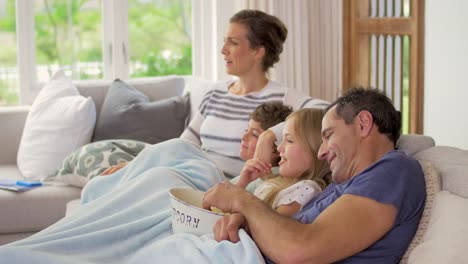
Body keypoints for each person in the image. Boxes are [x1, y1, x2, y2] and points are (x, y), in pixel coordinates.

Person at [202, 87, 426, 263]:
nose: (321, 151)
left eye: (328, 135)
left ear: (363, 124)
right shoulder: (343, 187)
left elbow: (298, 251)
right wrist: (249, 223)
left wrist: (242, 201)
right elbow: (289, 232)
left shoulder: (393, 171)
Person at [101, 9, 328, 179]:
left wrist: (269, 135)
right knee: (116, 182)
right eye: (224, 41)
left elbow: (329, 111)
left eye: (233, 42)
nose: (223, 50)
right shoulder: (216, 92)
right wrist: (138, 166)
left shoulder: (282, 96)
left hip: (224, 182)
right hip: (192, 172)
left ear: (258, 52)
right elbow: (184, 145)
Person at [235, 108, 330, 217]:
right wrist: (242, 183)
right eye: (282, 140)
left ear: (316, 149)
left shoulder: (306, 189)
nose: (279, 148)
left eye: (289, 140)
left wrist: (239, 194)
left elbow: (270, 229)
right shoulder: (279, 181)